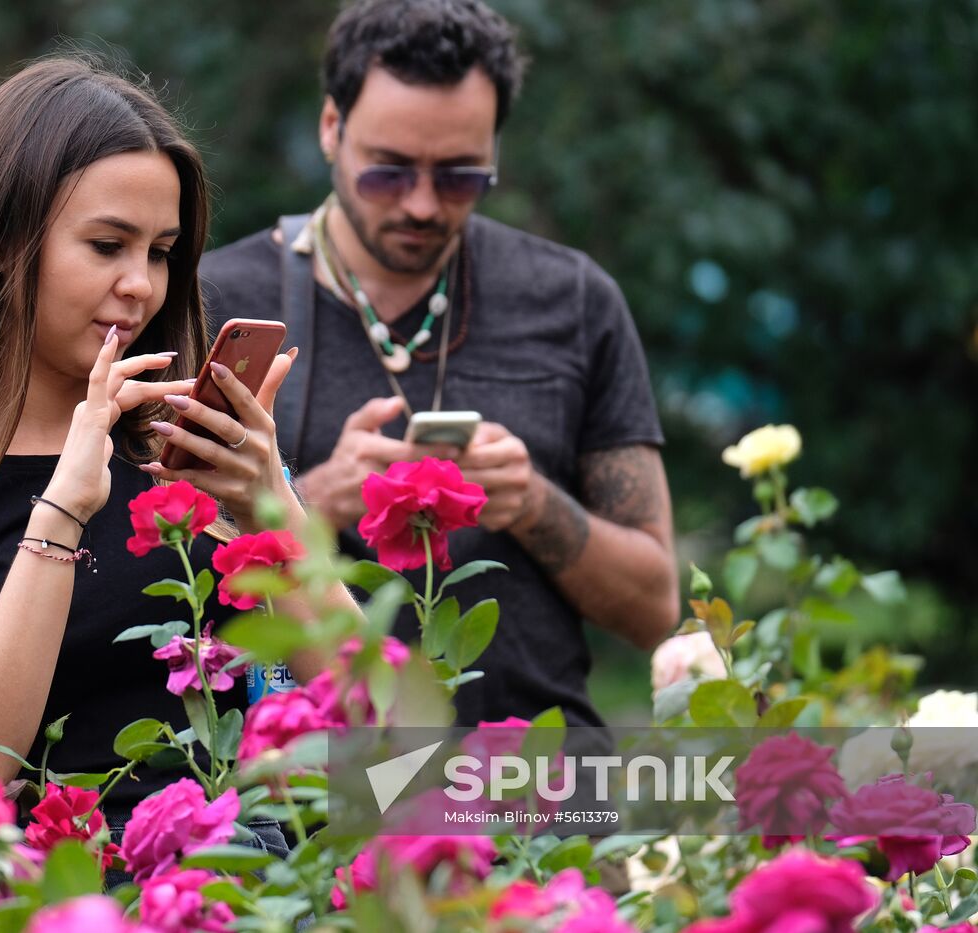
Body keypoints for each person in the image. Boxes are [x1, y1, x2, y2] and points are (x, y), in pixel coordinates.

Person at [0, 57, 349, 845]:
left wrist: (273, 508)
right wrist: (60, 511)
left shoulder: (183, 456)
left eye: (161, 251)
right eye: (107, 245)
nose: (141, 284)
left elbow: (387, 729)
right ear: (1, 242)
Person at [200, 0, 679, 733]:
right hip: (313, 812)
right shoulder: (220, 304)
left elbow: (655, 607)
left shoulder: (575, 300)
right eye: (388, 172)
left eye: (459, 175)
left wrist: (532, 504)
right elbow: (151, 597)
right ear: (331, 130)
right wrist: (310, 503)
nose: (422, 205)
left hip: (544, 802)